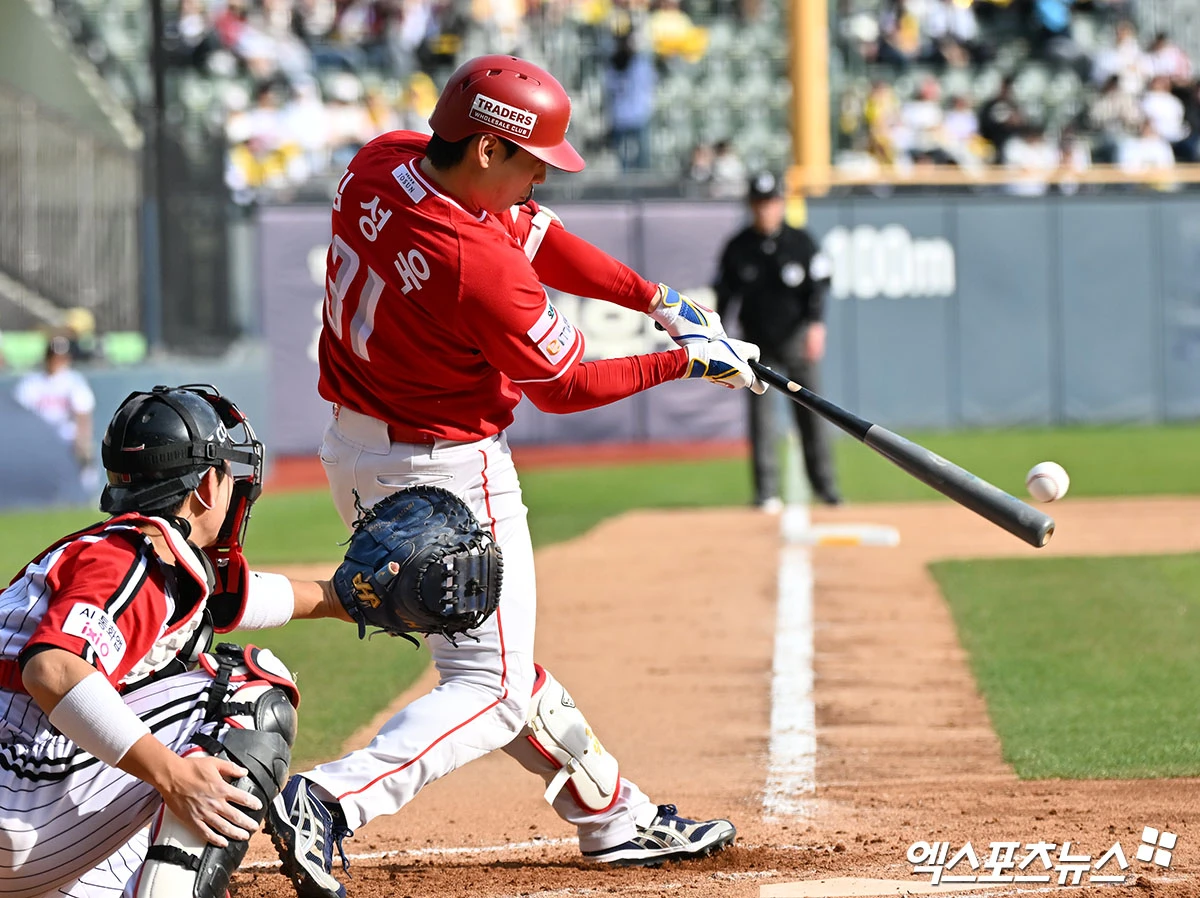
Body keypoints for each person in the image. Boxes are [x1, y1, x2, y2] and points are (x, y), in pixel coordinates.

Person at [267, 54, 763, 898]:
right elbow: (566, 387)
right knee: (489, 686)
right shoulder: (470, 262)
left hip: (356, 455)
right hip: (447, 466)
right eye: (533, 160)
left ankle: (612, 814)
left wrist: (652, 296)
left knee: (494, 660)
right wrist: (683, 364)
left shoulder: (385, 158)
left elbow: (535, 230)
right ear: (488, 149)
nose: (543, 177)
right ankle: (328, 799)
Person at [0, 384, 354, 898]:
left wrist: (344, 598)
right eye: (227, 470)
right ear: (207, 486)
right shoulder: (131, 561)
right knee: (244, 688)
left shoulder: (128, 554)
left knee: (153, 708)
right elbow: (52, 669)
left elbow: (229, 602)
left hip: (22, 786)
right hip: (17, 791)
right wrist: (173, 775)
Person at [714, 171, 841, 511]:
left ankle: (826, 487)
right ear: (751, 206)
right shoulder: (738, 248)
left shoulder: (800, 242)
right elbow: (725, 296)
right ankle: (766, 491)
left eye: (770, 202)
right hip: (755, 344)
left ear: (780, 204)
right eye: (758, 203)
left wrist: (817, 326)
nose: (764, 210)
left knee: (812, 414)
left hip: (796, 337)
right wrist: (719, 339)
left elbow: (818, 287)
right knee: (761, 419)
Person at [14, 334, 97, 492]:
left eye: (60, 357)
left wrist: (83, 441)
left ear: (67, 359)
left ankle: (87, 494)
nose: (56, 361)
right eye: (53, 357)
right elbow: (19, 414)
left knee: (84, 455)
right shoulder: (32, 382)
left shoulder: (73, 381)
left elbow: (83, 414)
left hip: (66, 434)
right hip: (39, 435)